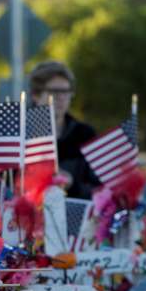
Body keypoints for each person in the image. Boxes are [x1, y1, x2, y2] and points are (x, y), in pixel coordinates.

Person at [29, 60, 100, 199]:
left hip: (74, 214)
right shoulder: (18, 133)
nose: (61, 97)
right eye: (53, 92)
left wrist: (72, 184)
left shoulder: (84, 134)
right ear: (36, 95)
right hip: (27, 216)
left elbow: (99, 190)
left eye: (66, 92)